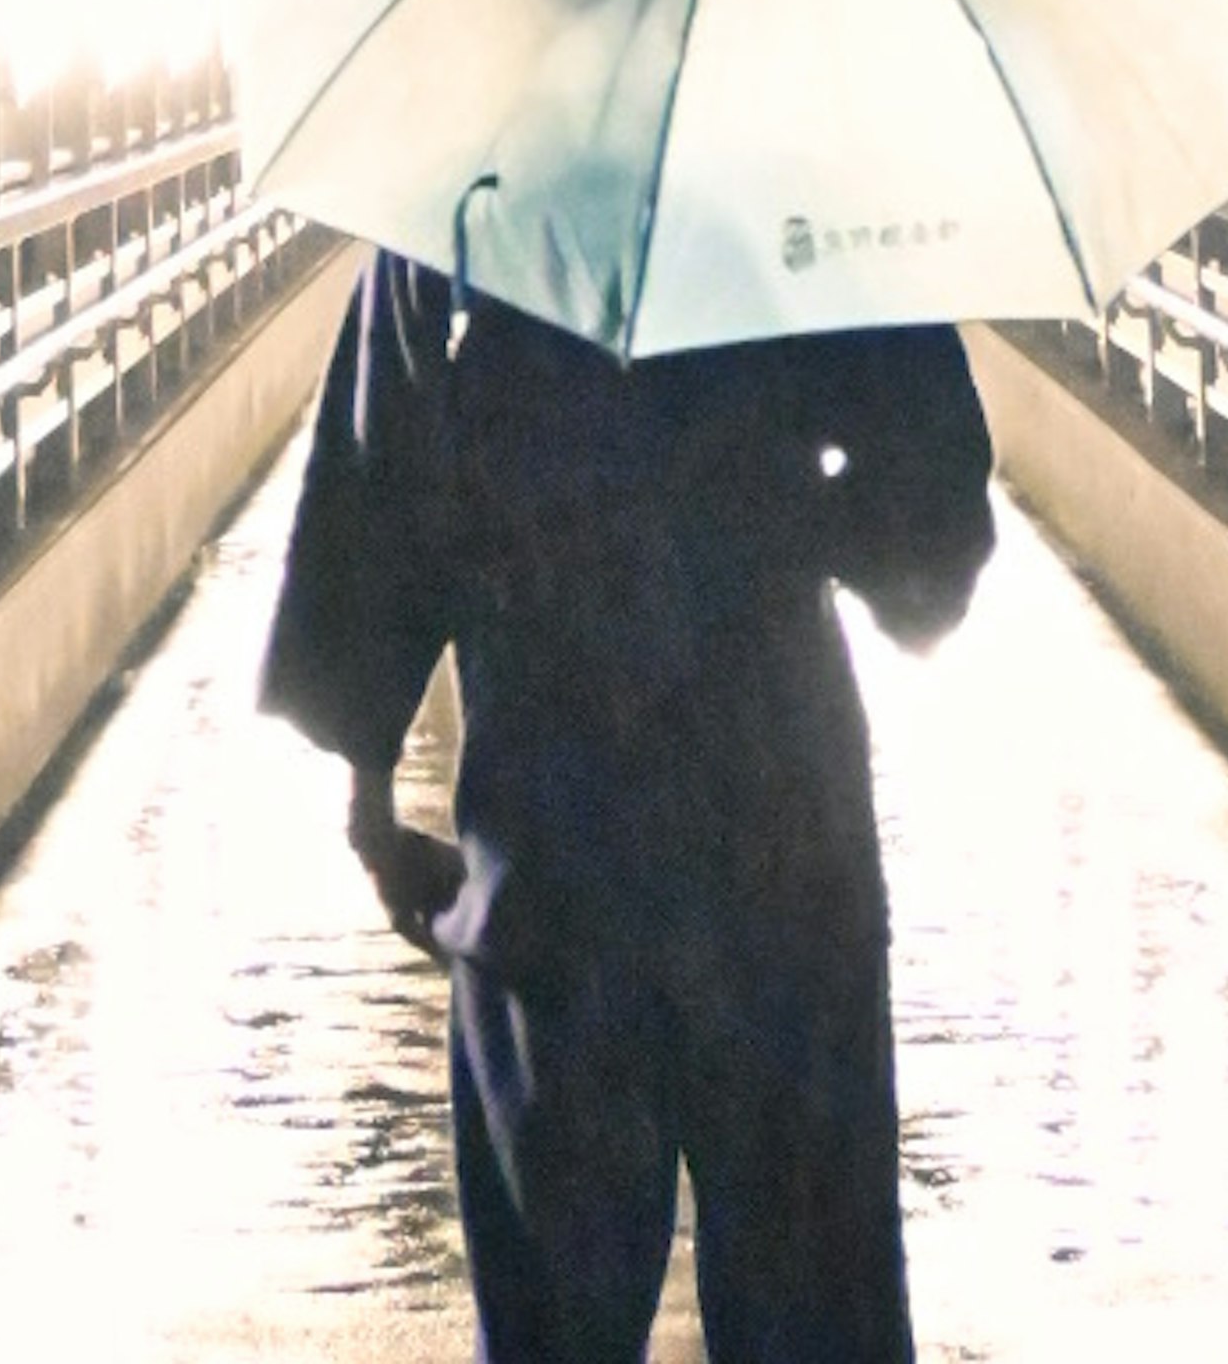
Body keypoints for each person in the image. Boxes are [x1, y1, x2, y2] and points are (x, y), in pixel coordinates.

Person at [261, 245, 996, 1364]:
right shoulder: (793, 193)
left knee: (555, 1318)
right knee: (815, 1311)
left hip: (550, 837)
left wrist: (372, 810)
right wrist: (783, 513)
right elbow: (936, 542)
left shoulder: (460, 209)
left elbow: (376, 508)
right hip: (780, 840)